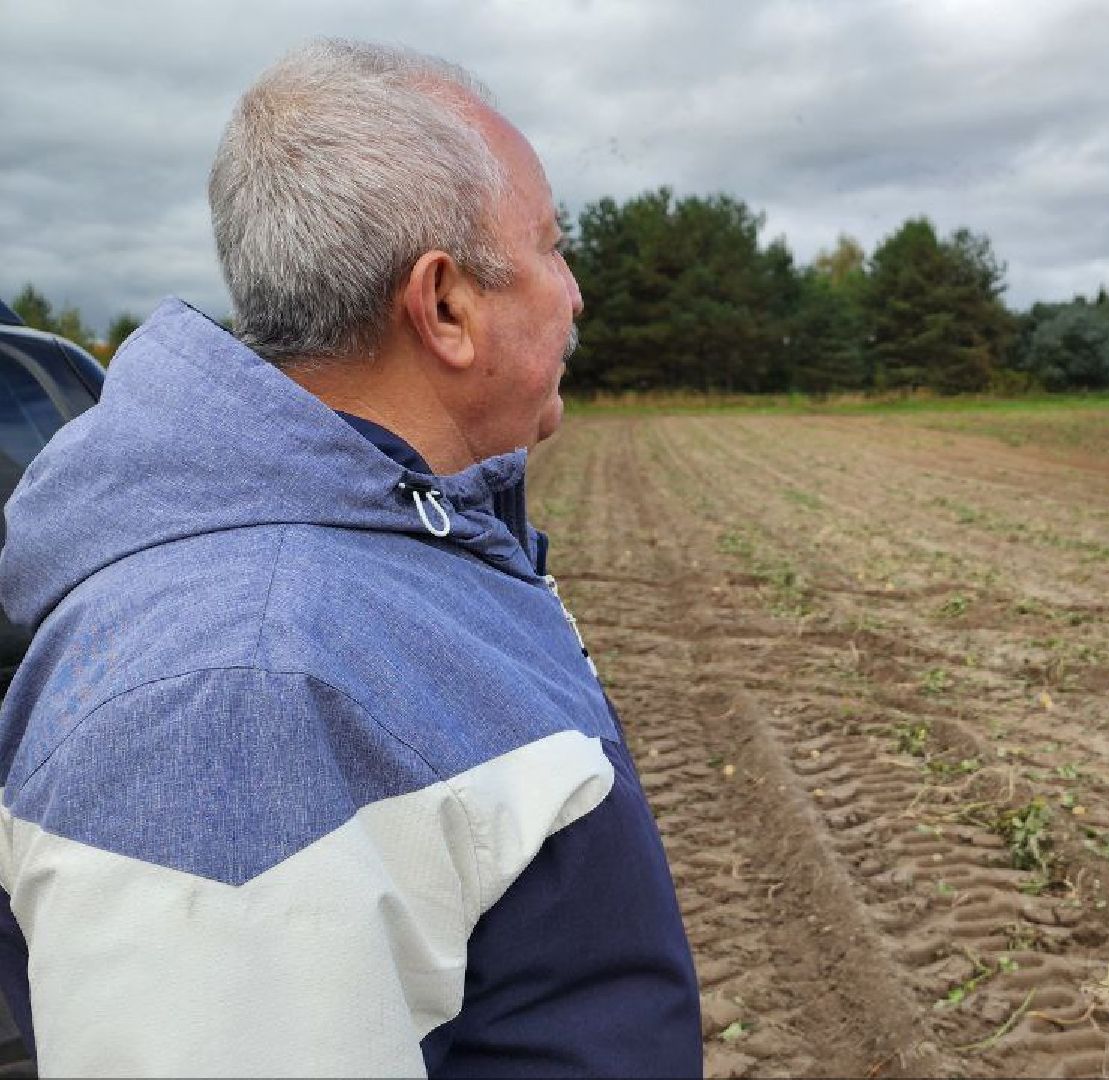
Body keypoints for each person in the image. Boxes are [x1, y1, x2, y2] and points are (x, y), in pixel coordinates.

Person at [0, 40, 701, 1076]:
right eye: (552, 247)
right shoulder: (245, 693)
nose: (578, 293)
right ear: (446, 305)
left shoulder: (393, 547)